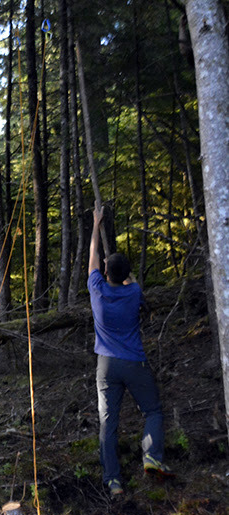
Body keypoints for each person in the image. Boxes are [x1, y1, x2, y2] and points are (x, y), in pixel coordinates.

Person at [88, 204, 173, 497]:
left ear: (105, 272)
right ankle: (151, 455)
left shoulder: (97, 289)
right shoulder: (134, 291)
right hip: (134, 363)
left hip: (106, 366)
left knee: (108, 423)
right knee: (152, 410)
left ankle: (113, 481)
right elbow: (130, 280)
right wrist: (125, 274)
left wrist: (97, 225)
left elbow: (92, 261)